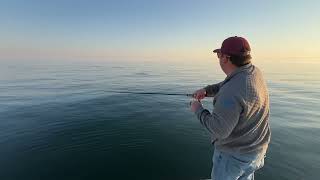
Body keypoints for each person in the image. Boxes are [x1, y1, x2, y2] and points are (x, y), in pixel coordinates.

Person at [190, 36, 271, 180]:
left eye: (219, 55)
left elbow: (219, 130)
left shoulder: (231, 91)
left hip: (233, 158)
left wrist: (198, 109)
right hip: (255, 153)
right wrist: (206, 90)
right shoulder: (253, 72)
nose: (218, 58)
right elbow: (227, 84)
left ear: (226, 58)